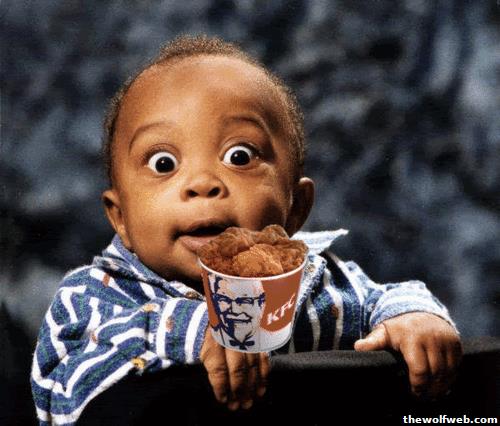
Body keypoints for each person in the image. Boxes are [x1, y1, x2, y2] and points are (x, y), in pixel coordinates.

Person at [31, 35, 462, 425]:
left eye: (239, 156)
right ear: (120, 217)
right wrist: (198, 330)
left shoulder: (322, 280)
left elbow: (382, 298)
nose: (202, 183)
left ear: (296, 207)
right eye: (164, 163)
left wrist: (413, 318)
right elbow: (61, 395)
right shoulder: (92, 296)